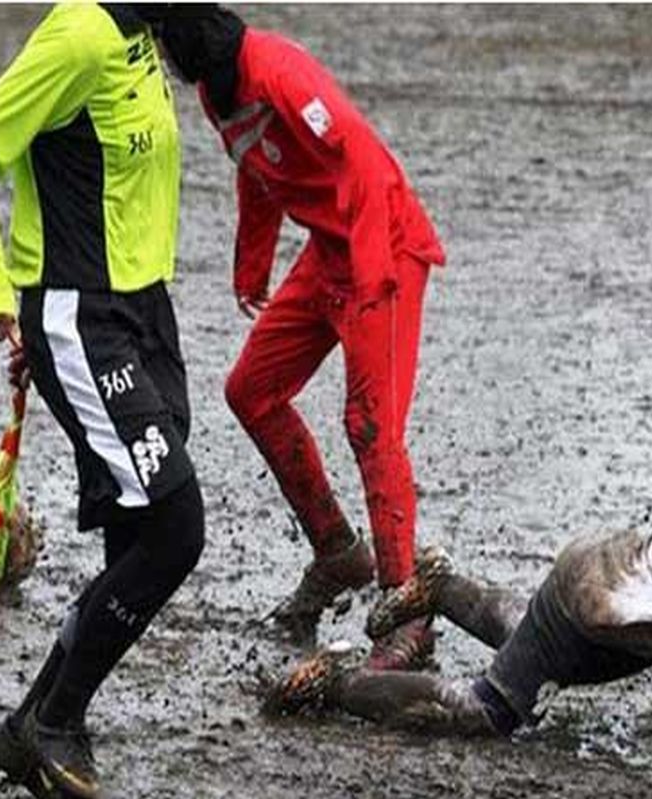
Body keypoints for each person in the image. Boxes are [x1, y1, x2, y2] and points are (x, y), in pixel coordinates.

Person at [268, 431, 652, 788]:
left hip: (634, 631)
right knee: (491, 712)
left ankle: (444, 586)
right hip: (592, 597)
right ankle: (336, 683)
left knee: (531, 647)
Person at [0, 4, 202, 797]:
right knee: (174, 528)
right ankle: (59, 721)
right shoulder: (79, 36)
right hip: (82, 318)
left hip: (146, 315)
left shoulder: (144, 31)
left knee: (138, 539)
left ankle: (29, 726)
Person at [155, 7, 447, 668]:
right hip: (328, 252)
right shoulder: (216, 89)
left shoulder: (280, 72)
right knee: (250, 391)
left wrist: (373, 277)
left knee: (370, 427)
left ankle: (407, 615)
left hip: (384, 249)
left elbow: (366, 164)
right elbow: (254, 165)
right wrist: (251, 260)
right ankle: (338, 550)